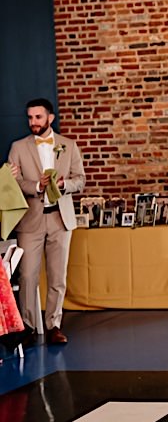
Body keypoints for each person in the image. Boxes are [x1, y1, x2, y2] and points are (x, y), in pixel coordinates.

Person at [7, 98, 85, 346]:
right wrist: (35, 186)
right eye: (30, 118)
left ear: (50, 118)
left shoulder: (69, 145)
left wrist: (63, 184)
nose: (33, 122)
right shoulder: (18, 147)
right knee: (28, 276)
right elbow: (14, 184)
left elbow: (80, 180)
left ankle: (53, 325)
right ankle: (28, 328)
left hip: (61, 220)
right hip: (30, 221)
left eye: (38, 117)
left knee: (57, 276)